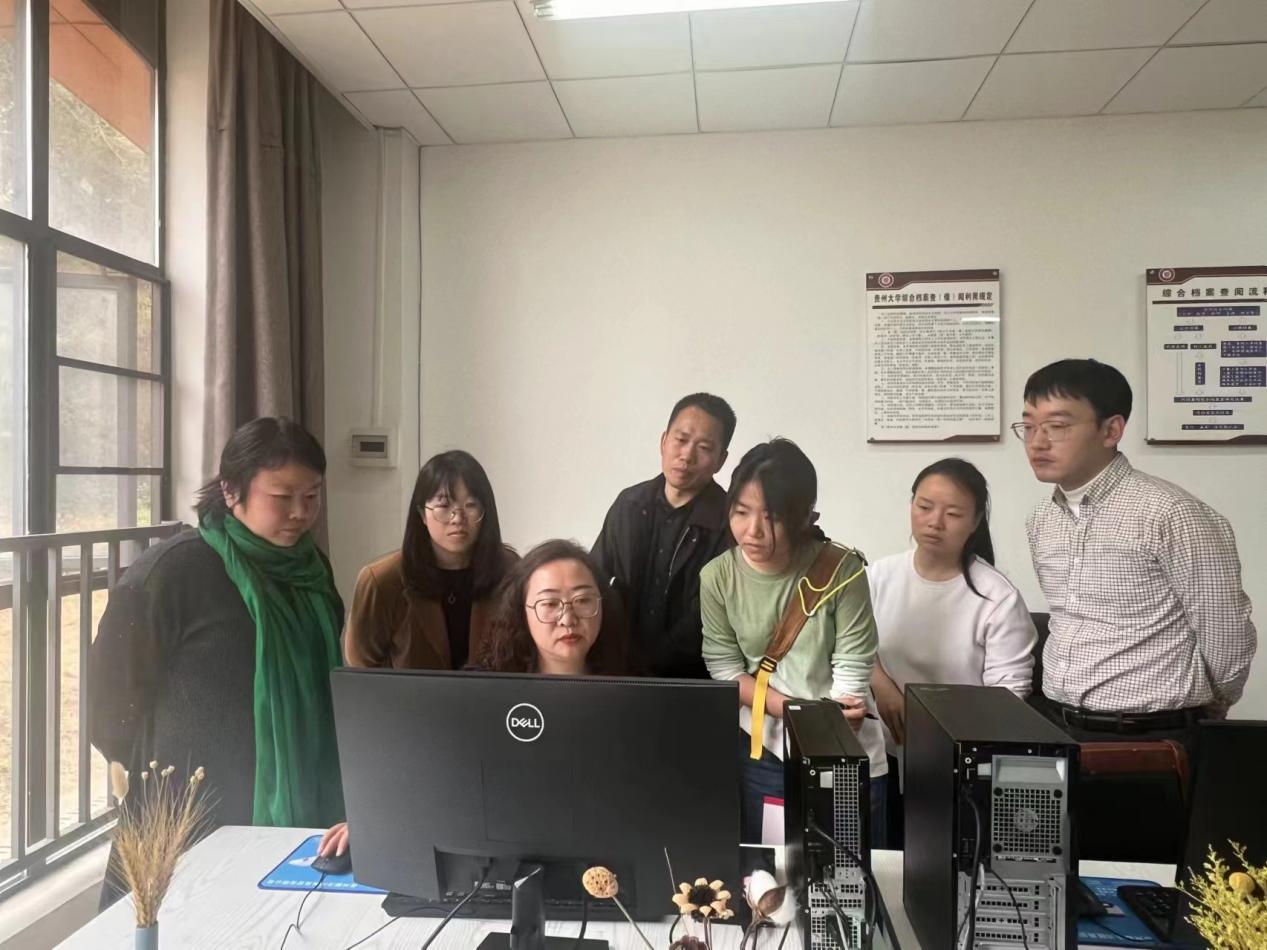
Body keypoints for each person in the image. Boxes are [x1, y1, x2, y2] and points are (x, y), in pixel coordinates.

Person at [90, 418, 345, 903]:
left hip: (306, 798)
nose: (300, 513)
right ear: (231, 491)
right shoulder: (173, 572)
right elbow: (110, 702)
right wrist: (163, 768)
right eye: (282, 497)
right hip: (193, 814)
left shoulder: (311, 570)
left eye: (312, 496)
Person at [320, 540, 628, 859]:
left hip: (598, 857)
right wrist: (374, 815)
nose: (568, 618)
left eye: (583, 600)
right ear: (522, 611)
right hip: (502, 859)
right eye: (550, 604)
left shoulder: (631, 692)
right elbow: (434, 768)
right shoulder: (479, 691)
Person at [1018, 358, 1256, 744]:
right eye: (1029, 426)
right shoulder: (1042, 519)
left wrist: (1206, 710)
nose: (1037, 442)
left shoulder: (1173, 513)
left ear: (1111, 430)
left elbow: (1226, 636)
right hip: (1060, 726)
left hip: (1154, 736)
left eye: (1057, 426)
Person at [699, 438, 886, 849]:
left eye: (772, 517)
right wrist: (797, 713)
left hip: (845, 746)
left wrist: (830, 724)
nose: (752, 530)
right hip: (766, 749)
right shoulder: (716, 577)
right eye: (741, 512)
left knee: (852, 870)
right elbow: (725, 668)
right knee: (772, 869)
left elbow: (854, 662)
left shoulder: (842, 569)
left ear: (805, 517)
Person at [867, 458, 1036, 845]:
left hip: (958, 760)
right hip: (884, 751)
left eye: (953, 513)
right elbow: (849, 645)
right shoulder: (878, 576)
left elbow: (1009, 695)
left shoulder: (997, 597)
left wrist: (939, 730)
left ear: (975, 522)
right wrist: (883, 685)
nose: (934, 522)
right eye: (924, 506)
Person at [591, 393, 736, 678]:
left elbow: (706, 617)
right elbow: (595, 579)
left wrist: (648, 668)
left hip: (690, 680)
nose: (687, 455)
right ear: (663, 441)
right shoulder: (629, 505)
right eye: (680, 440)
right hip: (617, 671)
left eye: (704, 447)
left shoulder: (729, 522)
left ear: (721, 460)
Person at [343, 450, 516, 670]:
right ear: (422, 514)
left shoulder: (509, 571)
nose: (458, 518)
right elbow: (363, 664)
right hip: (411, 694)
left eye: (471, 505)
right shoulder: (382, 581)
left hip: (490, 694)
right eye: (444, 506)